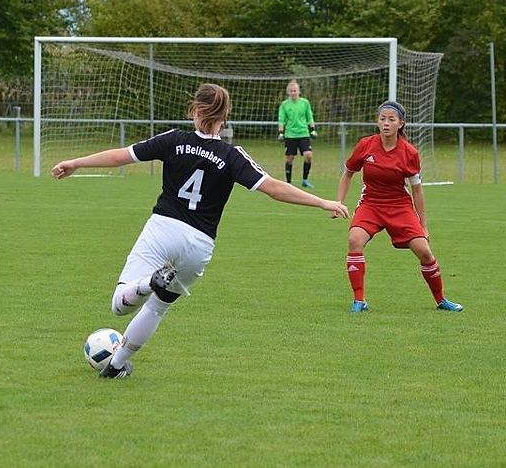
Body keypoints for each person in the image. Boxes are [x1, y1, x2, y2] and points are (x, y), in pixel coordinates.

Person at [52, 83, 349, 379]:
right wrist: (323, 202)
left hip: (163, 229)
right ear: (225, 116)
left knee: (120, 306)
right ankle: (116, 366)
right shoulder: (232, 155)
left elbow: (122, 155)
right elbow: (274, 188)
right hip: (199, 245)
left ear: (194, 110)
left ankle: (145, 284)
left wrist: (76, 162)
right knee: (157, 309)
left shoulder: (173, 140)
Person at [335, 100, 463, 314]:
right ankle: (359, 300)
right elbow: (348, 173)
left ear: (401, 123)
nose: (386, 123)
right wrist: (338, 202)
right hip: (371, 204)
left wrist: (424, 226)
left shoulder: (409, 153)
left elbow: (417, 191)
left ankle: (441, 300)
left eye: (391, 119)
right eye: (382, 119)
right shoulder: (366, 145)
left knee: (424, 251)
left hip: (399, 206)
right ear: (377, 121)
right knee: (354, 239)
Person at [277, 79, 317, 188]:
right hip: (290, 135)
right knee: (290, 158)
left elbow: (309, 116)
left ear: (299, 91)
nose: (293, 93)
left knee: (308, 155)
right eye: (291, 91)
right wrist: (281, 132)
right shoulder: (284, 105)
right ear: (288, 92)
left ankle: (305, 180)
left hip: (303, 133)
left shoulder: (305, 103)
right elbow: (281, 119)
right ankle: (288, 182)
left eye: (295, 91)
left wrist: (312, 129)